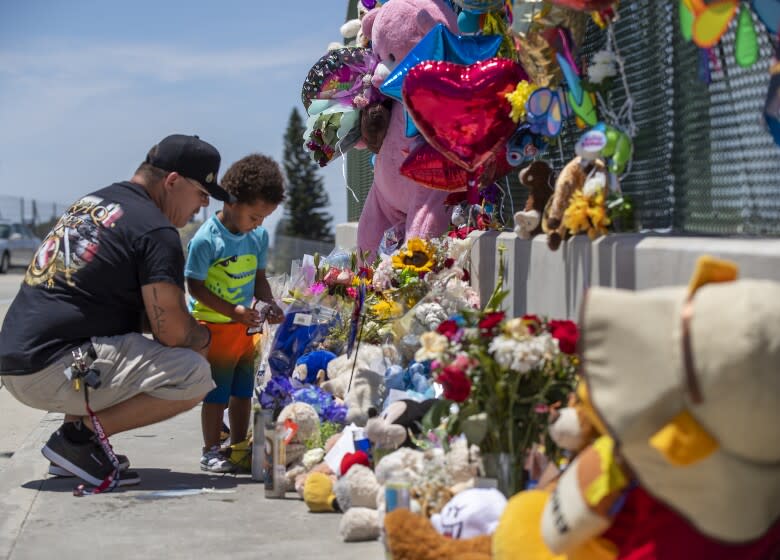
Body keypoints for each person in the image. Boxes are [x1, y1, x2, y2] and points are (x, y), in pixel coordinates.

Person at [0, 134, 230, 488]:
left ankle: (72, 450)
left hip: (18, 359)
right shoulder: (155, 229)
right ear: (173, 182)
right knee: (193, 372)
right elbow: (172, 332)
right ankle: (79, 442)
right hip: (50, 367)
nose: (200, 207)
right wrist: (204, 335)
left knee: (114, 337)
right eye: (201, 194)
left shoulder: (93, 202)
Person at [184, 153, 285, 472]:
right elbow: (195, 286)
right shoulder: (206, 240)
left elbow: (258, 279)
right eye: (255, 216)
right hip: (215, 328)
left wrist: (268, 304)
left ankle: (238, 446)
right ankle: (210, 450)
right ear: (231, 202)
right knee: (216, 393)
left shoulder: (257, 237)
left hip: (245, 328)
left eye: (263, 218)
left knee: (242, 392)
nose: (258, 224)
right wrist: (233, 311)